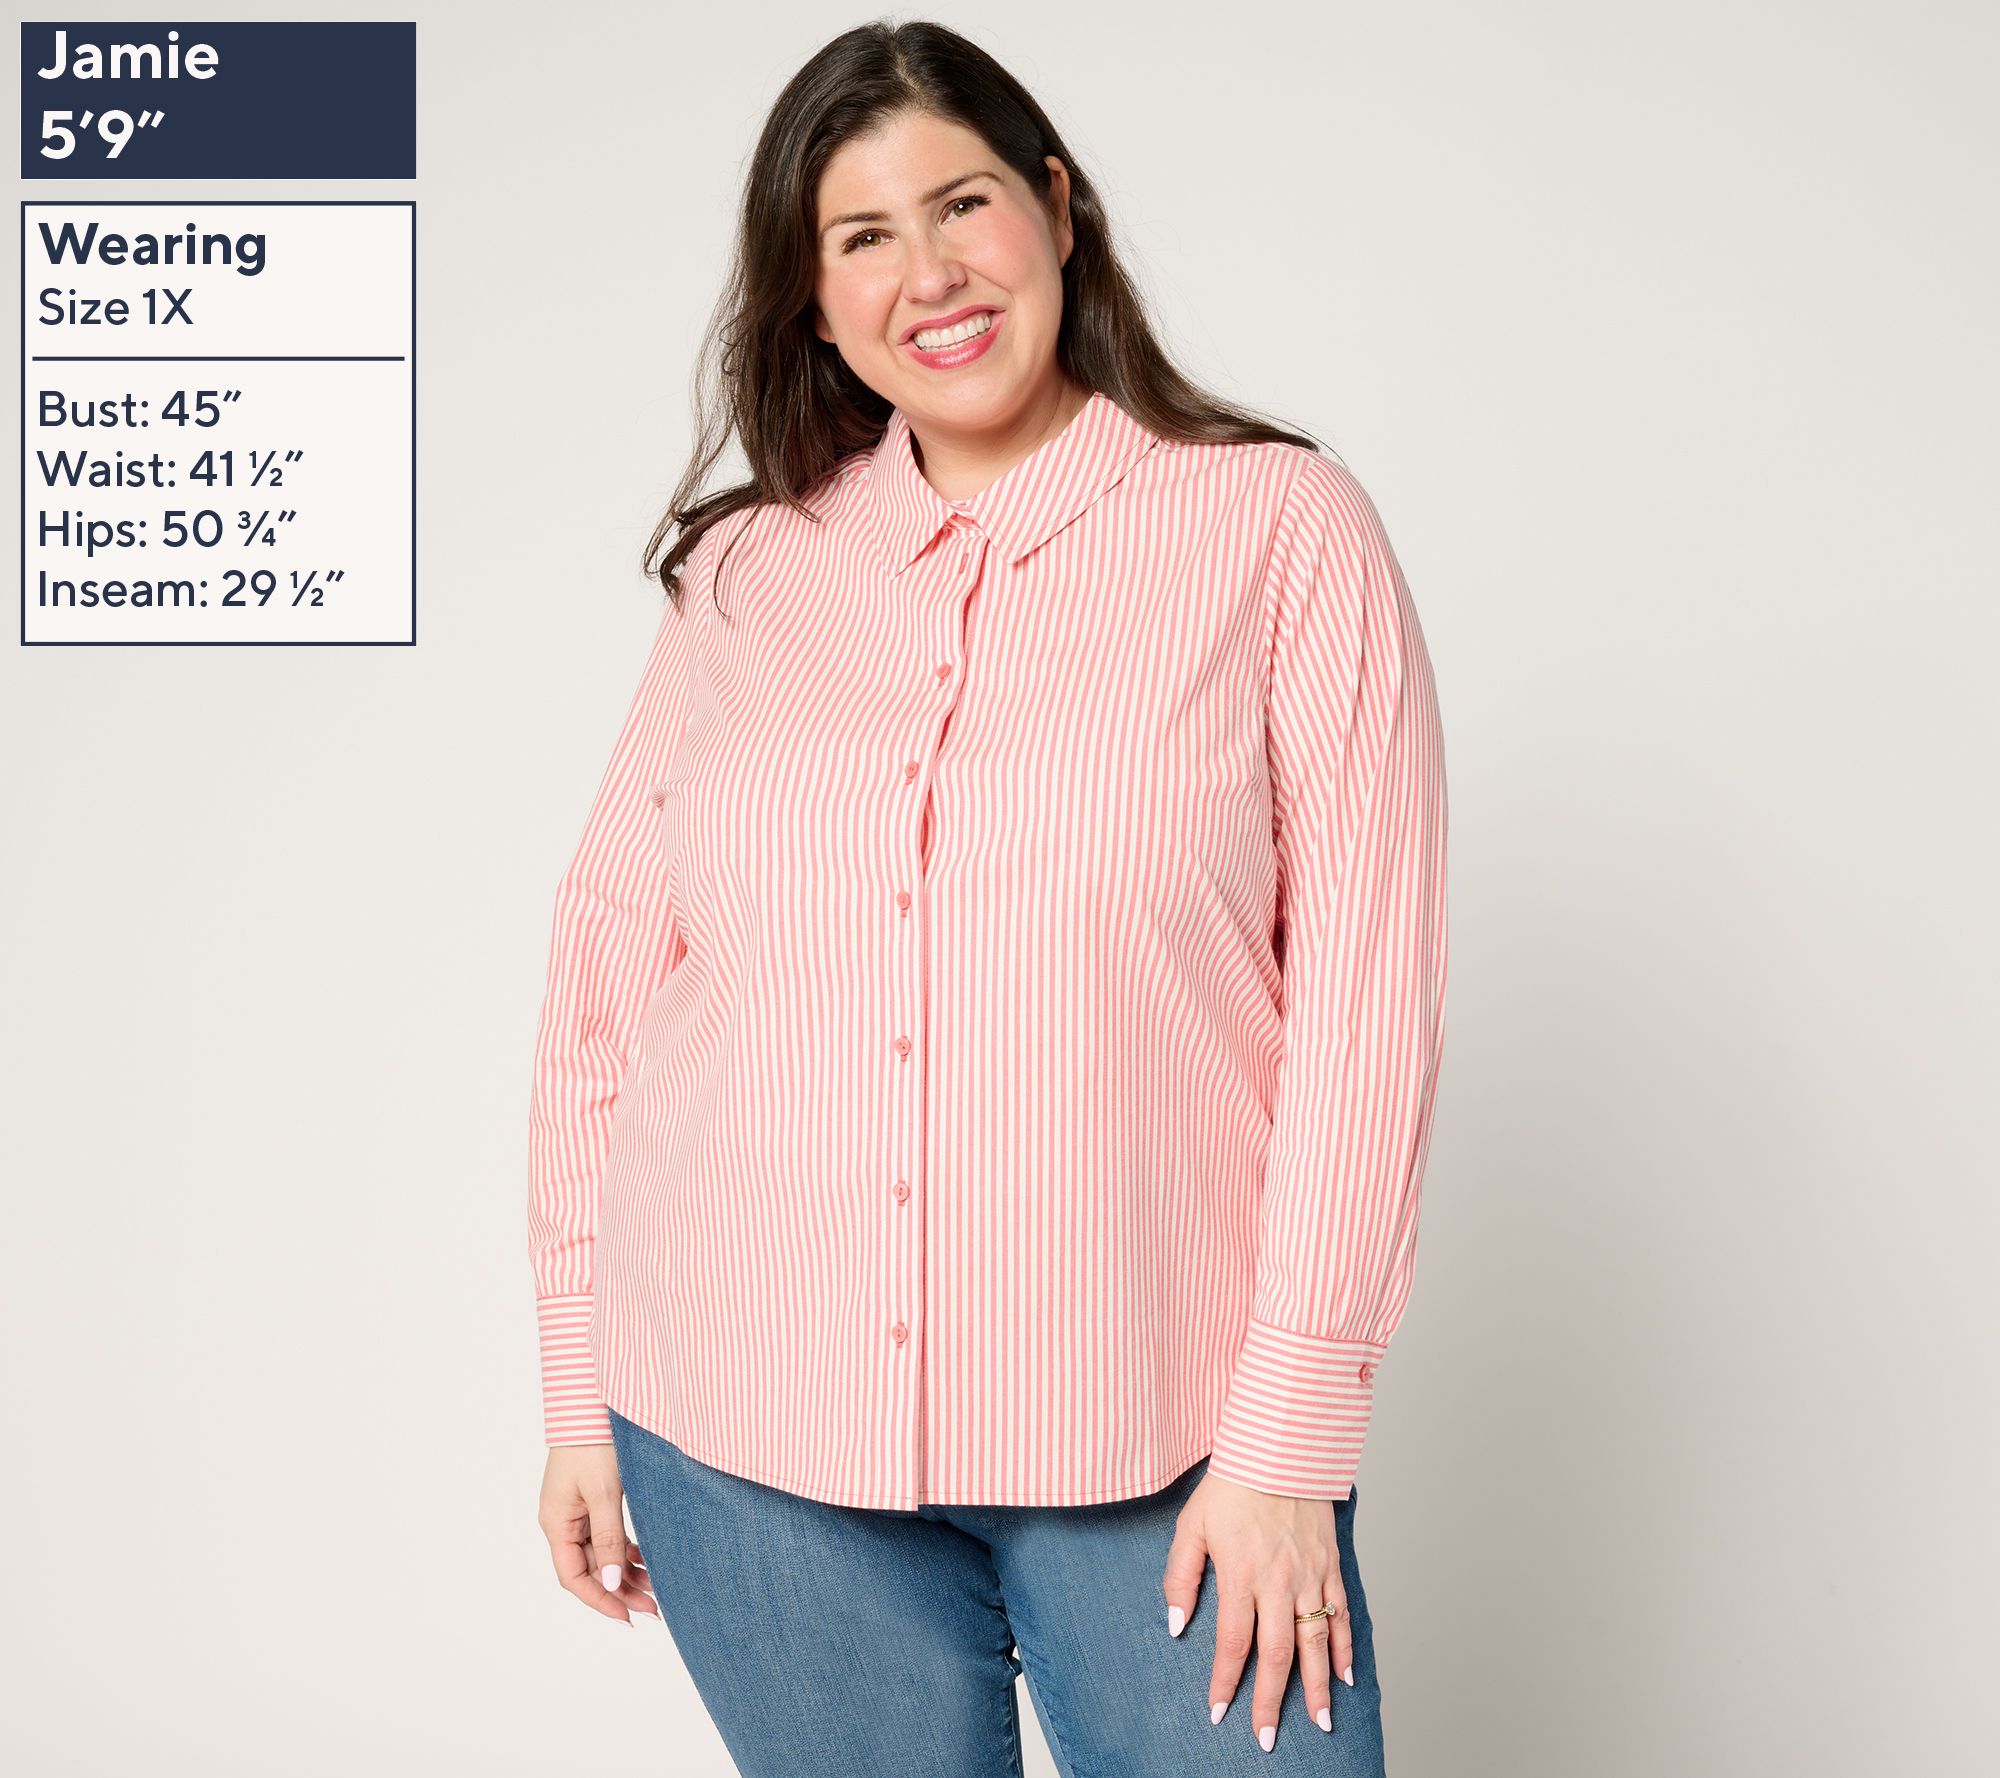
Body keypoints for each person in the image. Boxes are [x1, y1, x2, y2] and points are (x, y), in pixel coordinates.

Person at [527, 19, 1449, 1775]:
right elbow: (605, 988)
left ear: (1057, 209)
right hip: (745, 1427)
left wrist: (1289, 1440)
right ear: (813, 303)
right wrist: (582, 1379)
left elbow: (1366, 1011)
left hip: (1164, 1425)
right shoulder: (746, 576)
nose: (929, 273)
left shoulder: (1277, 528)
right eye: (863, 235)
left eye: (962, 204)